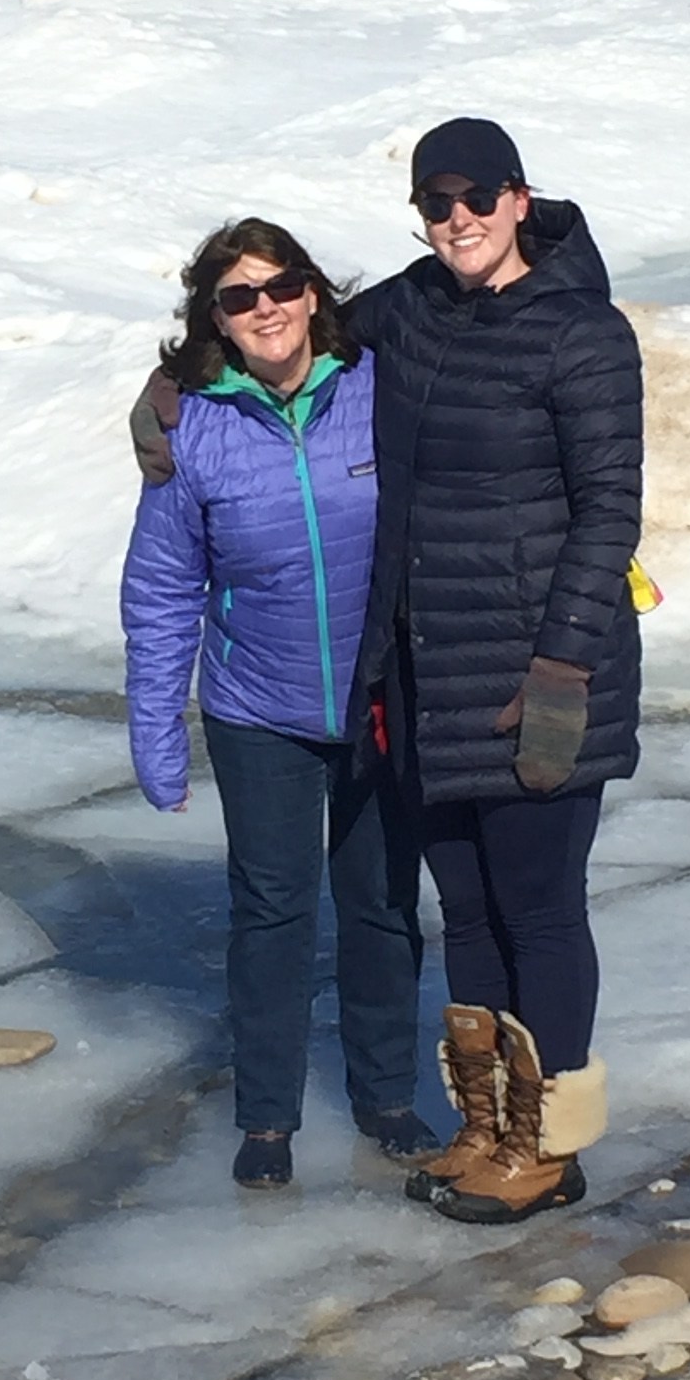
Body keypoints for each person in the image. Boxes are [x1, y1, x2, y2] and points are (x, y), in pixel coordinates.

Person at [134, 120, 644, 1224]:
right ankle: (490, 1130)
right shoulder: (411, 310)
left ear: (519, 200)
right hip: (432, 673)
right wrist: (175, 383)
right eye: (435, 202)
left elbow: (612, 511)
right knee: (465, 911)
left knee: (540, 910)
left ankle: (549, 1149)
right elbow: (282, 331)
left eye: (477, 198)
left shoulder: (583, 334)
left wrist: (563, 662)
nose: (457, 220)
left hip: (542, 669)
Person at [121, 218, 438, 1190]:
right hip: (260, 710)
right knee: (272, 914)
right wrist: (156, 736)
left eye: (281, 287)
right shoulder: (196, 429)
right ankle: (267, 1119)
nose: (266, 309)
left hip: (381, 696)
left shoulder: (378, 388)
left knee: (381, 907)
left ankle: (386, 1098)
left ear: (313, 294)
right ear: (213, 317)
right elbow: (163, 589)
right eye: (239, 297)